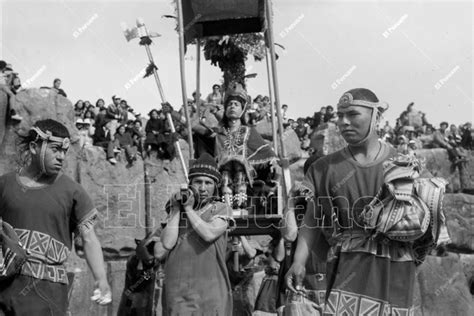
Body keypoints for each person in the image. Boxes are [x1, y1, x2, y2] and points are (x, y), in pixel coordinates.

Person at [285, 88, 421, 314]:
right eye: (340, 115)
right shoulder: (323, 168)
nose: (344, 122)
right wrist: (299, 262)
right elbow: (312, 219)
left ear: (375, 117)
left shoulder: (403, 164)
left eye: (353, 114)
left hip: (396, 265)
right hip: (349, 262)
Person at [0, 119, 111, 315]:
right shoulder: (5, 184)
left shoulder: (72, 192)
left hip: (47, 294)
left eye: (64, 151)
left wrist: (101, 279)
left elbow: (89, 238)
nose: (61, 157)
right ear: (34, 147)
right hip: (4, 289)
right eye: (55, 149)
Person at [160, 153, 234, 316]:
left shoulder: (221, 208)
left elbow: (208, 234)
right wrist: (176, 209)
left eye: (208, 183)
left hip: (210, 291)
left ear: (216, 186)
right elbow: (167, 243)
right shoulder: (178, 209)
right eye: (198, 182)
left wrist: (188, 209)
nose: (202, 187)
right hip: (179, 292)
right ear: (190, 184)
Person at [212, 83, 278, 210]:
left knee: (239, 168)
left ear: (242, 109)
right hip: (222, 171)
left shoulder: (249, 131)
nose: (232, 106)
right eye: (230, 104)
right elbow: (198, 128)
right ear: (225, 109)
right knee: (225, 174)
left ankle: (240, 205)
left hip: (244, 173)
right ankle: (226, 206)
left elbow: (265, 151)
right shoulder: (219, 132)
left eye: (236, 104)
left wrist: (274, 161)